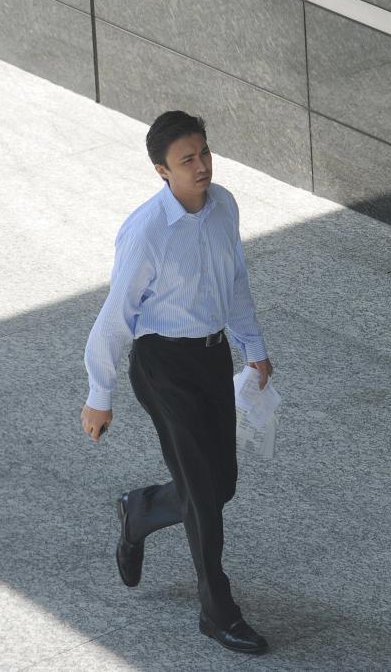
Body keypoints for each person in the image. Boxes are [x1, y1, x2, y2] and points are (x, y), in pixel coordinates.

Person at [80, 110, 273, 656]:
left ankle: (139, 511)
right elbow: (115, 315)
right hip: (163, 368)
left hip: (211, 360)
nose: (202, 165)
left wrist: (252, 347)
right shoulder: (147, 233)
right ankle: (218, 612)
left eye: (205, 153)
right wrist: (101, 395)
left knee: (221, 485)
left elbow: (233, 280)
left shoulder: (224, 207)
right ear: (161, 170)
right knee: (205, 500)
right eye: (187, 159)